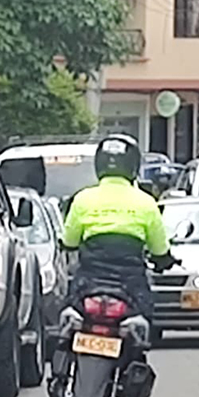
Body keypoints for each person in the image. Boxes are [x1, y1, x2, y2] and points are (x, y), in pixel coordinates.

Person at [61, 135, 178, 321]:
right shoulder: (146, 203)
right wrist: (164, 260)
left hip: (89, 282)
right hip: (131, 284)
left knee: (70, 313)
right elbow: (159, 250)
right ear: (134, 166)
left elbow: (69, 242)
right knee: (146, 317)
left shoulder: (82, 199)